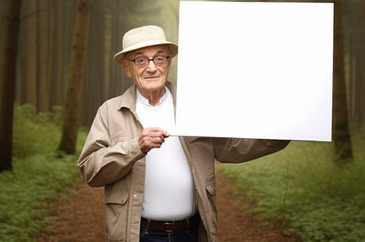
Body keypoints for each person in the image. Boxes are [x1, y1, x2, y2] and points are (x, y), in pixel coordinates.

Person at [77, 25, 290, 242]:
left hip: (191, 233)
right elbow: (91, 170)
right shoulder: (110, 112)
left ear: (169, 63)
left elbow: (231, 148)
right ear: (126, 67)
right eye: (141, 60)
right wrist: (136, 147)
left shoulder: (195, 105)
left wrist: (281, 133)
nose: (152, 67)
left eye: (160, 58)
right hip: (139, 234)